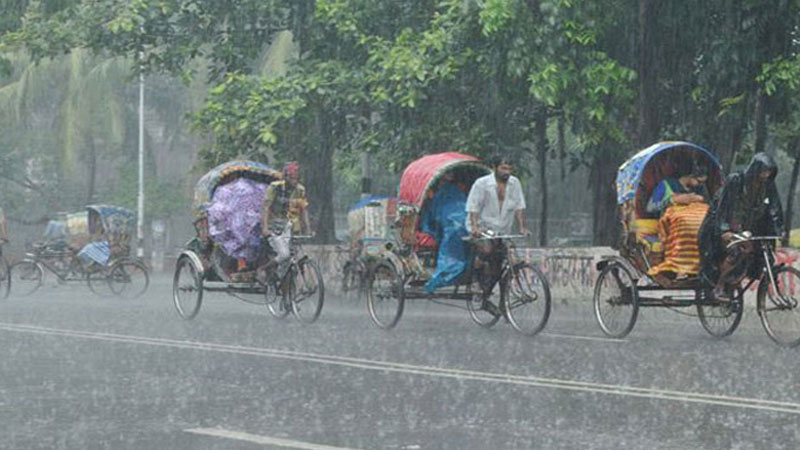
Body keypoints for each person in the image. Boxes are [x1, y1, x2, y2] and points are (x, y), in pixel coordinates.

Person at [699, 152, 785, 297]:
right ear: (755, 169)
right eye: (763, 171)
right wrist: (724, 229)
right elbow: (723, 206)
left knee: (765, 253)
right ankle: (719, 284)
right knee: (736, 251)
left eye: (769, 172)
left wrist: (778, 229)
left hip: (748, 228)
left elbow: (774, 208)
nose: (765, 176)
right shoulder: (736, 180)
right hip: (722, 226)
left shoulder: (768, 185)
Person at [465, 155, 529, 297]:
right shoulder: (481, 184)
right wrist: (475, 227)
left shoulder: (515, 183)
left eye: (509, 169)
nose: (507, 172)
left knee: (499, 264)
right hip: (481, 225)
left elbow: (519, 207)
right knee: (487, 249)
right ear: (494, 168)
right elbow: (473, 206)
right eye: (503, 168)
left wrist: (522, 227)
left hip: (502, 228)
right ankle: (474, 279)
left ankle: (490, 293)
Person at [646, 161, 711, 282]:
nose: (700, 185)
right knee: (684, 232)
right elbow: (650, 208)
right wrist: (673, 200)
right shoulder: (666, 185)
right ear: (690, 176)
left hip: (696, 222)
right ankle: (678, 265)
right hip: (673, 224)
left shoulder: (700, 189)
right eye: (699, 181)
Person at [260, 162, 311, 279]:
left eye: (296, 178)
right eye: (291, 177)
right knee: (284, 255)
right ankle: (263, 269)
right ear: (285, 177)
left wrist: (308, 229)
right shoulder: (275, 187)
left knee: (292, 257)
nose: (294, 180)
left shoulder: (300, 190)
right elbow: (266, 208)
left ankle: (285, 286)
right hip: (274, 224)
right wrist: (265, 228)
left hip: (288, 225)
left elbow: (304, 210)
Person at [420, 172, 470, 292]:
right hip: (464, 225)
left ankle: (444, 274)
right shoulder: (458, 193)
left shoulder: (442, 193)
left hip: (451, 227)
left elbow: (433, 216)